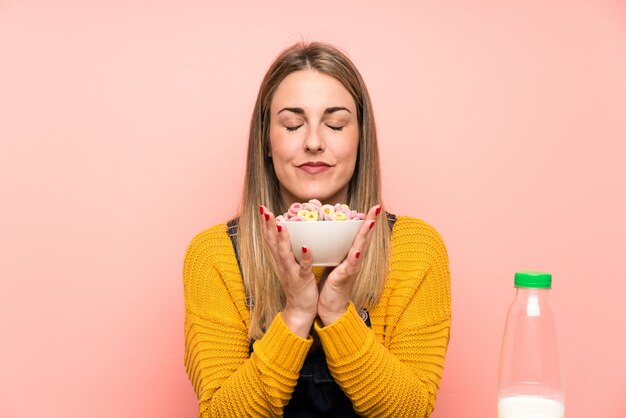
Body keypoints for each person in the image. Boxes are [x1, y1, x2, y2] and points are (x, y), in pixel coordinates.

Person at [183, 42, 451, 417]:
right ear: (265, 139)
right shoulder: (215, 255)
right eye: (293, 125)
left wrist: (338, 313)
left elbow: (411, 412)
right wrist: (295, 315)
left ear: (361, 136)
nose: (313, 142)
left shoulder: (415, 249)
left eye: (335, 124)